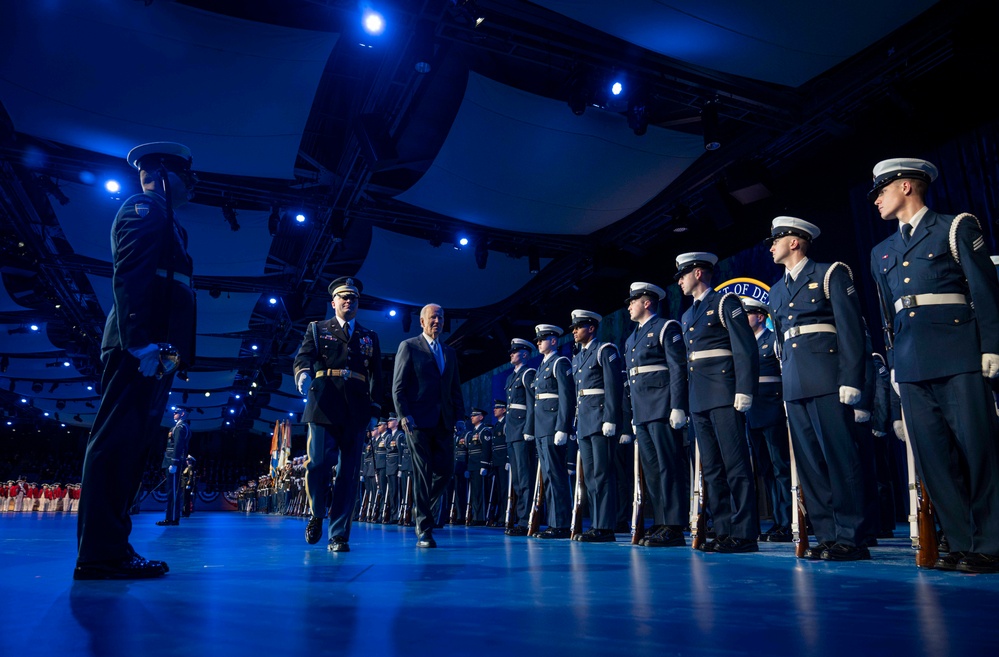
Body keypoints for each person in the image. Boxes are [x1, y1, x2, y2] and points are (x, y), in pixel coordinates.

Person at [868, 158, 999, 573]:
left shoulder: (954, 228)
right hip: (910, 362)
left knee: (977, 451)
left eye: (882, 189)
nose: (876, 199)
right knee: (935, 460)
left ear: (907, 186)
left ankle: (991, 545)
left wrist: (992, 346)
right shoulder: (881, 252)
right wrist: (892, 367)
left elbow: (985, 290)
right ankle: (961, 544)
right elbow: (888, 318)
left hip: (958, 353)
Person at [75, 142, 197, 581]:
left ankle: (112, 547)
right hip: (139, 350)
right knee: (115, 445)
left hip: (155, 351)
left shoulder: (169, 220)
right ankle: (99, 554)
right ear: (165, 172)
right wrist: (139, 343)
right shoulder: (145, 207)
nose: (194, 182)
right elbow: (129, 274)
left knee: (130, 449)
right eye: (188, 173)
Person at [766, 217, 871, 561]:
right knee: (810, 465)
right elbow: (782, 342)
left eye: (776, 240)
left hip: (828, 379)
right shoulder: (777, 290)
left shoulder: (829, 274)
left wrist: (853, 380)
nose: (771, 246)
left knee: (840, 459)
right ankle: (827, 534)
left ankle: (851, 536)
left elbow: (851, 331)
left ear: (794, 242)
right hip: (795, 383)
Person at [676, 252, 760, 553]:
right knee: (711, 467)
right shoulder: (688, 315)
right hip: (699, 397)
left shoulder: (725, 302)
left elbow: (745, 347)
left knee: (735, 464)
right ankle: (724, 529)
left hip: (725, 393)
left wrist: (745, 388)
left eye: (683, 274)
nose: (680, 281)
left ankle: (745, 532)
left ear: (698, 273)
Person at [293, 276, 384, 552]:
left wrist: (375, 411)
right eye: (343, 297)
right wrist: (302, 374)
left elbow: (377, 377)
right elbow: (303, 357)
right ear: (333, 302)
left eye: (353, 298)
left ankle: (339, 534)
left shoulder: (369, 336)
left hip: (356, 409)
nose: (348, 301)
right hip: (323, 404)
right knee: (318, 465)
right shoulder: (318, 329)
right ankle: (317, 513)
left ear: (358, 303)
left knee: (349, 473)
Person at [392, 303, 467, 548]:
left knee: (445, 472)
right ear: (422, 322)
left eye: (441, 317)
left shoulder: (450, 352)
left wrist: (459, 417)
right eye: (433, 317)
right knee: (422, 473)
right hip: (418, 422)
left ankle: (420, 508)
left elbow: (455, 388)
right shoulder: (410, 346)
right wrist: (403, 415)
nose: (438, 321)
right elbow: (399, 387)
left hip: (444, 422)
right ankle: (424, 529)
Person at [623, 282, 690, 547]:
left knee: (669, 467)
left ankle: (674, 525)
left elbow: (676, 368)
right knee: (652, 470)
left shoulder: (665, 327)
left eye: (633, 301)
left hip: (663, 407)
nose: (629, 306)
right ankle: (661, 521)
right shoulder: (631, 338)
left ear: (647, 302)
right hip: (642, 411)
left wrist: (678, 405)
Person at [569, 310, 624, 542]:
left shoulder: (604, 350)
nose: (574, 331)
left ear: (591, 328)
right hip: (585, 421)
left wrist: (611, 418)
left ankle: (606, 526)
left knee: (602, 474)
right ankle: (597, 524)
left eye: (578, 327)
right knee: (590, 476)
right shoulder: (578, 357)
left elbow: (613, 387)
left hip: (601, 420)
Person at [741, 298, 792, 542]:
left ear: (760, 316)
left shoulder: (772, 341)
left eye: (747, 314)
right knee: (766, 470)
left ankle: (789, 520)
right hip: (753, 414)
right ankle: (777, 520)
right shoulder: (745, 345)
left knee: (781, 467)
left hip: (773, 411)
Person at [527, 324, 575, 539]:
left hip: (552, 425)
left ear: (554, 341)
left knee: (556, 475)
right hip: (541, 427)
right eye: (537, 340)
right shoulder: (542, 367)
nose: (538, 342)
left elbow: (567, 397)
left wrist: (562, 427)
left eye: (542, 339)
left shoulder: (560, 362)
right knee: (547, 476)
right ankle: (554, 522)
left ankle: (562, 524)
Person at [503, 339, 537, 536]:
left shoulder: (528, 374)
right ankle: (519, 518)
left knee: (525, 478)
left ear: (525, 354)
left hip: (523, 430)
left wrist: (529, 429)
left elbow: (532, 404)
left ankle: (526, 521)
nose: (511, 355)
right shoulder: (511, 378)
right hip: (513, 433)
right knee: (517, 479)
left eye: (515, 352)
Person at [158, 407, 191, 527]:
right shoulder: (178, 427)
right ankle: (171, 517)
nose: (174, 414)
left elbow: (178, 446)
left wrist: (174, 462)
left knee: (173, 492)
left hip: (173, 462)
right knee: (171, 491)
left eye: (176, 413)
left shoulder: (180, 427)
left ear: (182, 414)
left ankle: (172, 518)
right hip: (170, 461)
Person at [490, 400, 509, 526]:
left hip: (504, 461)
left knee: (504, 490)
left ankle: (504, 516)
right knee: (498, 490)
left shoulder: (506, 424)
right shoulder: (497, 425)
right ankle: (499, 515)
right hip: (497, 461)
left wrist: (508, 459)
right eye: (495, 407)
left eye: (498, 408)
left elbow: (508, 442)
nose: (494, 410)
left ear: (504, 410)